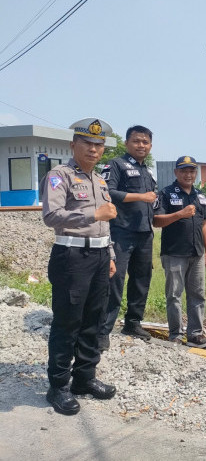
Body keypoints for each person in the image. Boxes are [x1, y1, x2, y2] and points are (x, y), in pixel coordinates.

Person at [41, 118, 119, 415]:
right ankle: (58, 386)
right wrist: (92, 216)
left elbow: (106, 225)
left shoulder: (99, 180)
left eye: (99, 145)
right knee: (67, 322)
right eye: (87, 143)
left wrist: (110, 254)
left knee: (93, 321)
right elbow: (51, 216)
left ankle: (84, 378)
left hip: (99, 258)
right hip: (71, 258)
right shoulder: (59, 176)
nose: (94, 149)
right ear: (73, 145)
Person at [98, 125, 157, 351]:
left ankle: (133, 323)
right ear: (127, 143)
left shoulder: (148, 171)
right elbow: (107, 192)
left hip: (144, 233)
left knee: (141, 281)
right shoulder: (115, 165)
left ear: (150, 145)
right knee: (115, 281)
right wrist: (140, 196)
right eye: (136, 141)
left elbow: (154, 201)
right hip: (120, 232)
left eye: (145, 142)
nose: (141, 145)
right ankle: (103, 330)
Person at [153, 156, 206, 348]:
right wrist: (180, 214)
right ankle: (175, 335)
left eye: (192, 171)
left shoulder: (200, 196)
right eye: (184, 171)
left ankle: (195, 334)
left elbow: (204, 224)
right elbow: (157, 220)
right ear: (176, 173)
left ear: (195, 173)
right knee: (174, 295)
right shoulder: (166, 193)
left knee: (197, 294)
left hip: (197, 253)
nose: (188, 174)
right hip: (174, 253)